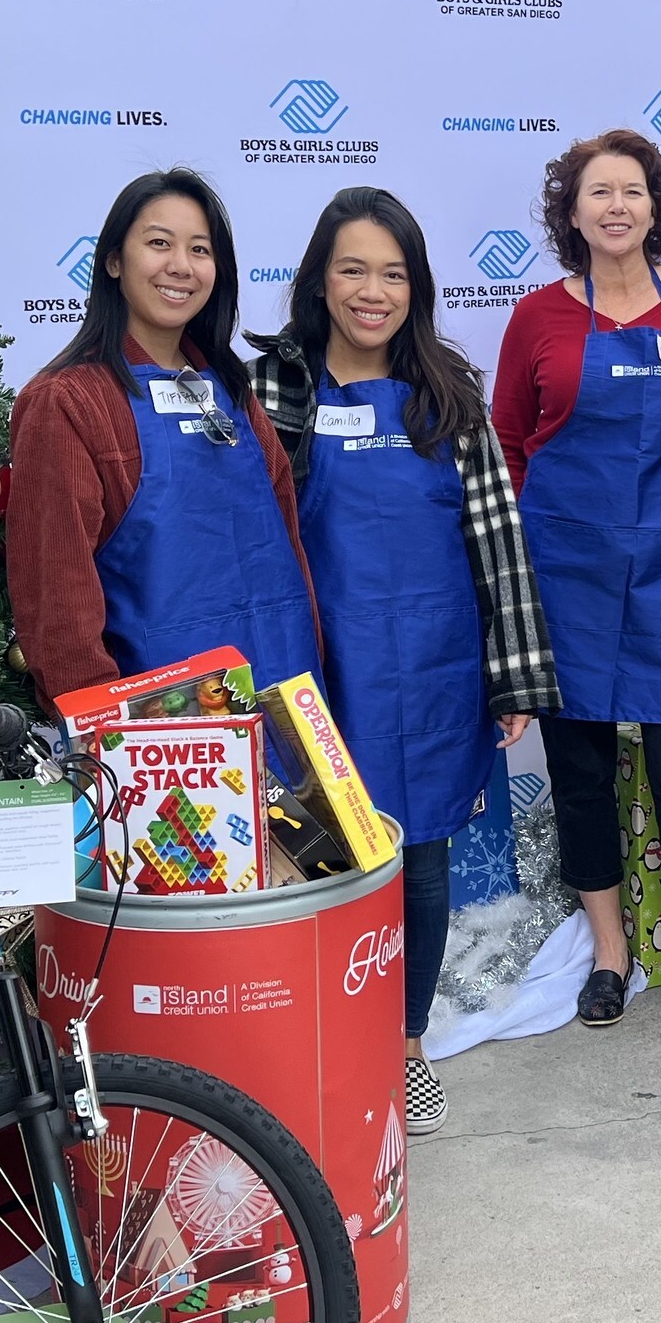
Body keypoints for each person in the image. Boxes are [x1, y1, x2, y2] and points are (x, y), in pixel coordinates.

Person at [250, 188, 561, 1132]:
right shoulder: (274, 391)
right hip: (317, 668)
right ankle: (312, 1044)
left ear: (416, 287)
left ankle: (406, 1042)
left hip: (431, 666)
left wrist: (513, 673)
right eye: (353, 269)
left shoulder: (448, 395)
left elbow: (498, 544)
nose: (372, 291)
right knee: (310, 858)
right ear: (318, 280)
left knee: (418, 863)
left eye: (393, 272)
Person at [492, 130, 661, 1048]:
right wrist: (523, 573)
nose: (616, 206)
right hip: (569, 574)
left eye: (633, 191)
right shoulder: (535, 318)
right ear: (571, 212)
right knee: (580, 773)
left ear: (657, 207)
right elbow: (513, 450)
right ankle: (610, 954)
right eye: (597, 192)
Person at [8, 167, 320, 718]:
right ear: (112, 261)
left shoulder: (232, 393)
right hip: (163, 737)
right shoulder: (69, 401)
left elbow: (288, 554)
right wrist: (105, 736)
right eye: (158, 243)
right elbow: (56, 601)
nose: (180, 265)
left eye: (200, 249)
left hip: (282, 700)